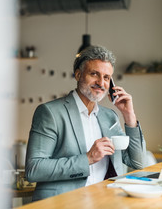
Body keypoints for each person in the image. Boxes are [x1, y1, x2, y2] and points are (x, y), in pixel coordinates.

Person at [25, 45, 146, 201]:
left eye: (107, 77)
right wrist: (88, 158)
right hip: (63, 202)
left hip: (105, 201)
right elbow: (34, 169)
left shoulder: (110, 117)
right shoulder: (50, 113)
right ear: (78, 74)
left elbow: (138, 162)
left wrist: (129, 115)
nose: (101, 83)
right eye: (94, 74)